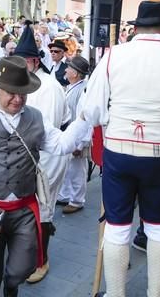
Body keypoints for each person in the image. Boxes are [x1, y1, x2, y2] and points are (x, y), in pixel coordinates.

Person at [80, 1, 160, 297]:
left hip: (118, 153)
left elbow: (93, 109)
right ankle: (156, 293)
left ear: (135, 28)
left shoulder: (114, 56)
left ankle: (115, 294)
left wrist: (114, 120)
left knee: (116, 226)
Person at [0, 56, 90, 297]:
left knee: (22, 268)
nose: (18, 99)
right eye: (11, 93)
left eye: (23, 94)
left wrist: (82, 120)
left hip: (23, 210)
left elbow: (60, 145)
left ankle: (11, 286)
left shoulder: (36, 118)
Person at [13, 23, 70, 284]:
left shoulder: (49, 88)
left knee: (43, 210)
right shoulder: (24, 82)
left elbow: (49, 131)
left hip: (47, 157)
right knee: (30, 209)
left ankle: (42, 260)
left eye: (22, 61)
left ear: (34, 61)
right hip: (28, 157)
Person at [57, 56, 92, 214]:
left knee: (77, 171)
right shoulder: (73, 87)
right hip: (70, 135)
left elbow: (85, 119)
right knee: (68, 168)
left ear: (76, 73)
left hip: (78, 138)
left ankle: (77, 200)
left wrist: (81, 143)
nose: (66, 70)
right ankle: (65, 195)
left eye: (69, 68)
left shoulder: (83, 90)